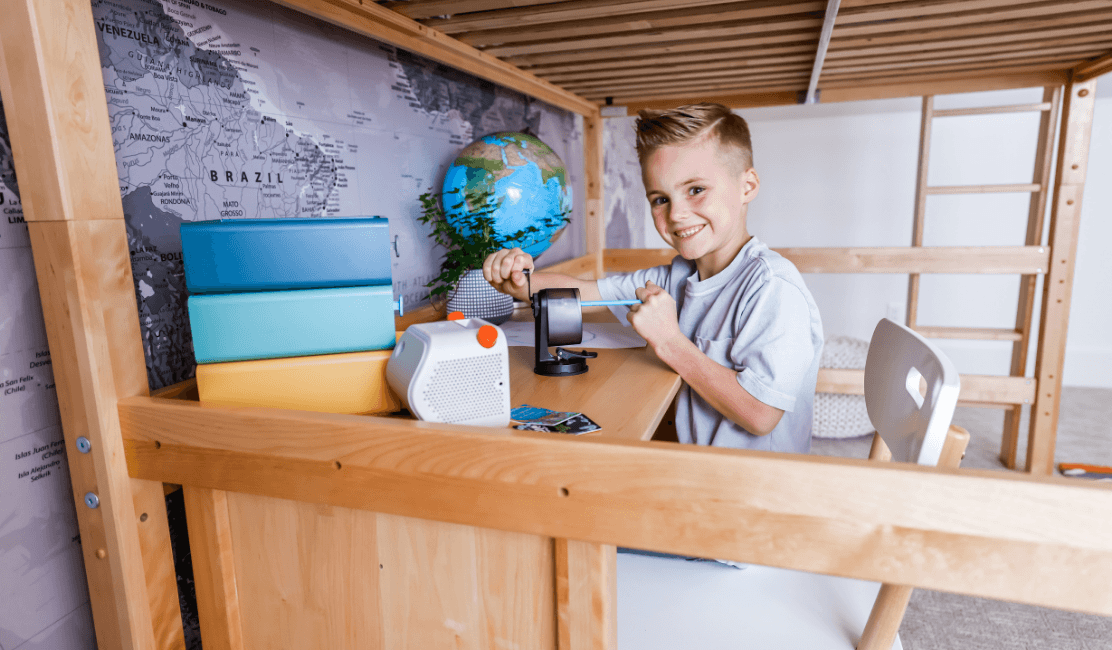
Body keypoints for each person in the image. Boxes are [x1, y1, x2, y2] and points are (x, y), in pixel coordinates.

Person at [483, 103, 823, 452]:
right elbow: (586, 291)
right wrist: (522, 283)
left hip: (750, 487)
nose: (676, 215)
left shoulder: (772, 286)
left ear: (747, 186)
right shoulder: (679, 273)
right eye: (661, 199)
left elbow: (761, 414)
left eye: (695, 190)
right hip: (697, 464)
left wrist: (669, 342)